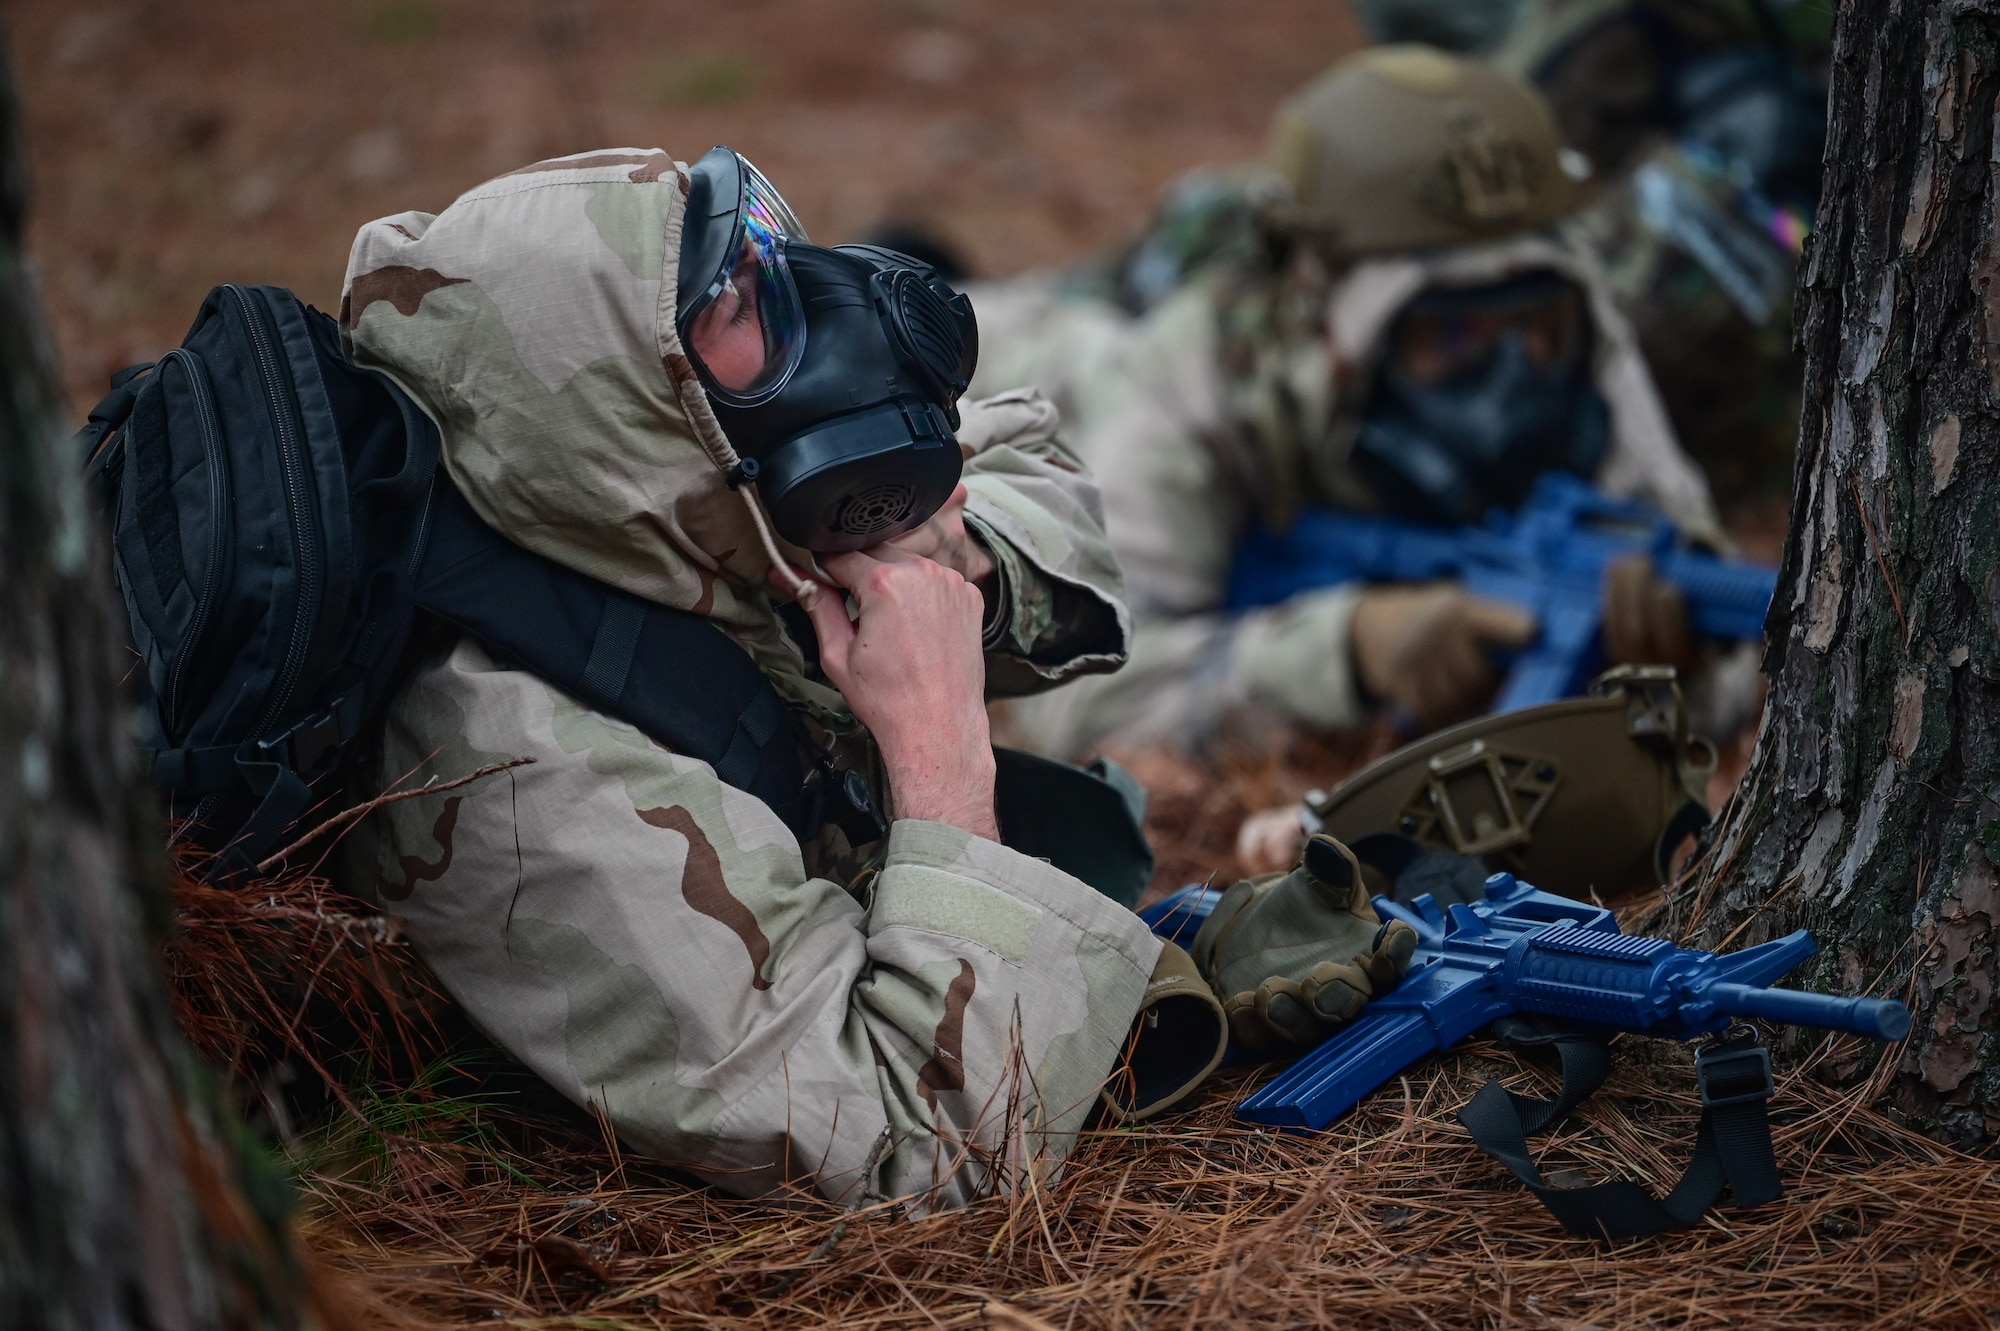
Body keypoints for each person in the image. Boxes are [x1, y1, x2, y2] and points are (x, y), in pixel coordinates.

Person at [327, 147, 1269, 1213]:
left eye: (764, 260)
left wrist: (950, 565)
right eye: (737, 300)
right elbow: (930, 1151)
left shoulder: (680, 508)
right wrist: (937, 746)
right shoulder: (526, 777)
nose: (810, 306)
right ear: (630, 410)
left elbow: (1031, 465)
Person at [980, 46, 1741, 762]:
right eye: (1449, 336)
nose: (1513, 377)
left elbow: (1734, 635)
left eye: (1535, 328)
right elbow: (1075, 695)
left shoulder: (1589, 349)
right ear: (1325, 316)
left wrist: (1671, 669)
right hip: (1028, 380)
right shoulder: (1198, 375)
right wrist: (1348, 651)